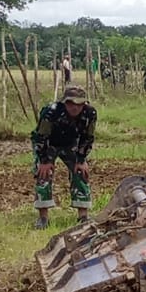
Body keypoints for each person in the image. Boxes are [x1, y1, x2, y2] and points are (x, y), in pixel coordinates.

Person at [32, 85, 97, 229]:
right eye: (71, 104)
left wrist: (81, 159)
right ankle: (43, 218)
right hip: (49, 144)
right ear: (65, 103)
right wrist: (44, 160)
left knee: (81, 172)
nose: (75, 108)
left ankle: (83, 216)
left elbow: (88, 137)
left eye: (79, 104)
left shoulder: (90, 113)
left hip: (71, 143)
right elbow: (41, 137)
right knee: (43, 173)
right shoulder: (51, 111)